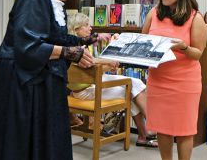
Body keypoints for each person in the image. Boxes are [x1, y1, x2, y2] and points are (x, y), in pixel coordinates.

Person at [0, 0, 96, 160]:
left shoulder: (51, 1)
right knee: (22, 141)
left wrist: (85, 43)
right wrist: (71, 53)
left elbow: (57, 38)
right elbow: (28, 45)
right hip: (21, 81)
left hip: (38, 79)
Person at [142, 0, 207, 160]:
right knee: (163, 128)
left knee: (185, 130)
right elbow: (142, 40)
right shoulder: (154, 13)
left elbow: (198, 54)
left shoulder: (196, 18)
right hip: (158, 80)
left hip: (184, 83)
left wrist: (184, 47)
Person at [67, 12, 158, 147]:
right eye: (86, 25)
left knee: (136, 83)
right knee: (131, 92)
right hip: (86, 91)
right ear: (76, 29)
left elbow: (95, 67)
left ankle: (146, 132)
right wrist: (111, 60)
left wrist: (109, 62)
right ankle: (147, 131)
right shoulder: (76, 50)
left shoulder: (78, 46)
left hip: (92, 84)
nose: (90, 28)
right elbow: (93, 68)